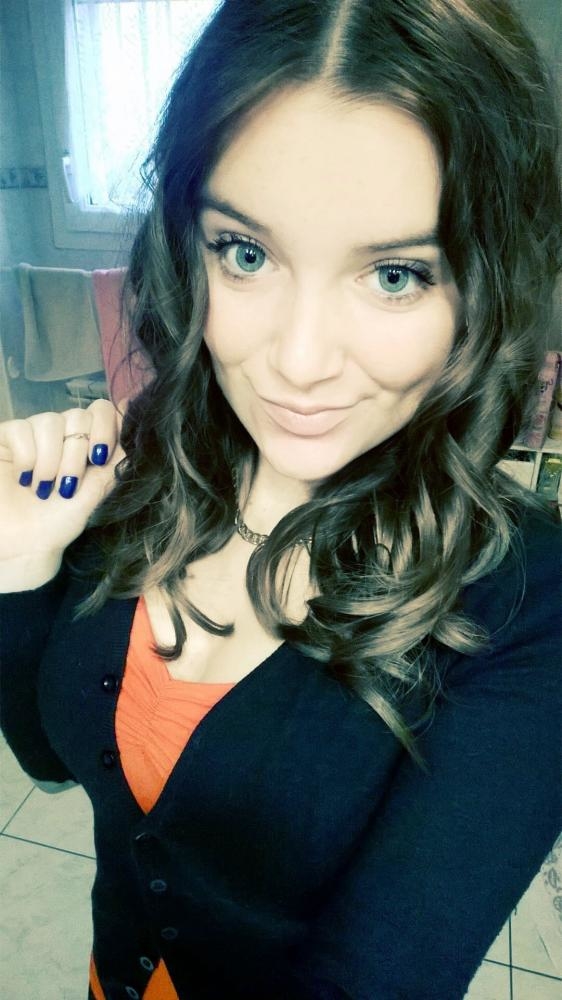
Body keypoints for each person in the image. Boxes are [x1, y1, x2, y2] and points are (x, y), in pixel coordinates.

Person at [1, 0, 561, 997]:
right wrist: (18, 567)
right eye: (246, 254)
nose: (297, 364)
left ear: (484, 288)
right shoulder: (145, 462)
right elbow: (47, 757)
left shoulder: (526, 605)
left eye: (396, 274)